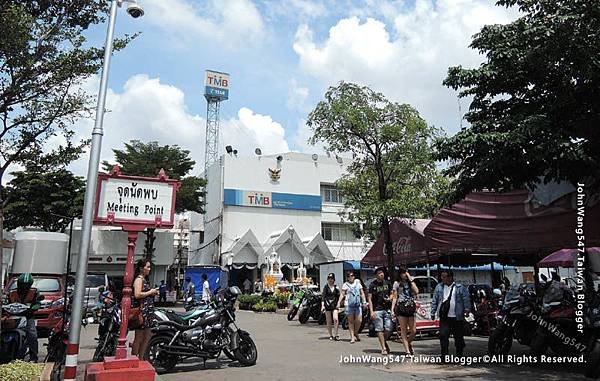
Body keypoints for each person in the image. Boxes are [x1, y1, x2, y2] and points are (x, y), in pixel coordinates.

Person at [430, 270, 471, 361]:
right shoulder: (439, 287)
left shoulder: (459, 287)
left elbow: (466, 299)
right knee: (443, 335)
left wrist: (467, 310)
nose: (442, 278)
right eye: (442, 277)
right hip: (444, 317)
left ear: (450, 277)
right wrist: (433, 312)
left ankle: (459, 355)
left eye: (444, 277)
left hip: (457, 316)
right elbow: (435, 300)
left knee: (458, 337)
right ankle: (444, 355)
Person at [8, 273, 41, 362]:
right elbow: (6, 302)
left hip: (28, 317)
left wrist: (33, 308)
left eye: (26, 285)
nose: (24, 287)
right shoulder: (12, 293)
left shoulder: (34, 292)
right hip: (14, 316)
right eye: (23, 285)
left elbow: (37, 303)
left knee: (32, 335)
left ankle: (33, 357)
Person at [132, 260, 159, 359]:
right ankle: (134, 358)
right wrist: (150, 292)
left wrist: (153, 292)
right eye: (147, 267)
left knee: (147, 336)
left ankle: (141, 358)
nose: (149, 269)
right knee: (139, 337)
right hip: (142, 312)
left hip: (147, 312)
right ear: (141, 268)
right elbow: (137, 294)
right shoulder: (139, 279)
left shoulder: (144, 279)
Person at [391, 268, 419, 355]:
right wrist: (392, 309)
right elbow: (395, 297)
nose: (405, 274)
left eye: (406, 273)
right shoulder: (397, 283)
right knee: (403, 330)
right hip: (401, 306)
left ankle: (408, 343)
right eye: (403, 273)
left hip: (410, 306)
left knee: (413, 330)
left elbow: (416, 291)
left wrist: (410, 279)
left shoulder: (410, 282)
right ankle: (407, 350)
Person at [368, 267, 393, 355]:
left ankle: (384, 341)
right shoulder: (372, 285)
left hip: (387, 309)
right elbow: (370, 299)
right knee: (379, 329)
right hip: (377, 310)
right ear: (376, 275)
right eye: (379, 273)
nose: (381, 274)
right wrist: (371, 311)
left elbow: (392, 293)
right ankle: (383, 347)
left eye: (382, 273)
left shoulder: (387, 283)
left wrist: (389, 298)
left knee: (389, 328)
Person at [337, 270, 367, 344]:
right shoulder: (345, 285)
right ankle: (352, 337)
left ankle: (355, 332)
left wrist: (364, 302)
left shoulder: (358, 283)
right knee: (350, 322)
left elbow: (362, 293)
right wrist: (339, 302)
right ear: (347, 277)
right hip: (349, 305)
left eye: (352, 275)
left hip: (357, 304)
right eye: (348, 276)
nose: (350, 277)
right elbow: (342, 294)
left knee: (359, 320)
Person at [321, 273, 341, 341]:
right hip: (327, 305)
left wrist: (339, 304)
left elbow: (339, 296)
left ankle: (336, 334)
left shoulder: (336, 287)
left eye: (331, 278)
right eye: (329, 278)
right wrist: (323, 305)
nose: (330, 280)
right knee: (329, 321)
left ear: (334, 279)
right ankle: (331, 335)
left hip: (334, 305)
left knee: (335, 319)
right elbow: (323, 296)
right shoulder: (326, 287)